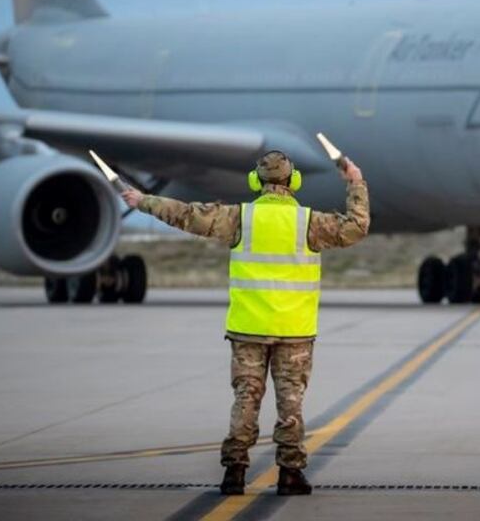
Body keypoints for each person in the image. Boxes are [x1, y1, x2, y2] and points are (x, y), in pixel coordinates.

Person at [121, 151, 369, 496]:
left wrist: (142, 200)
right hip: (294, 331)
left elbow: (187, 215)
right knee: (291, 404)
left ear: (256, 181)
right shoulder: (310, 223)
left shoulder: (240, 218)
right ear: (293, 181)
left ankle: (234, 472)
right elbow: (357, 227)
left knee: (246, 400)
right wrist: (355, 182)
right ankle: (290, 474)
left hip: (247, 328)